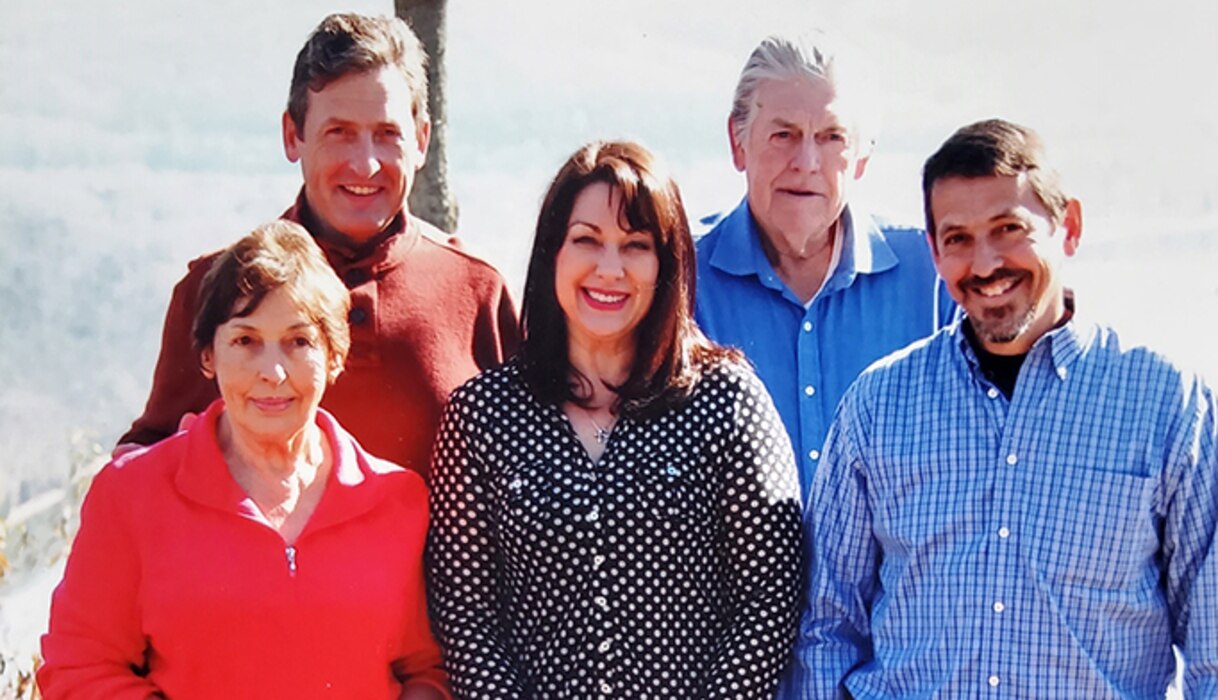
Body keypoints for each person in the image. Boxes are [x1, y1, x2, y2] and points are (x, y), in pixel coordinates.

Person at [784, 119, 1218, 698]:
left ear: (1069, 228)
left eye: (1008, 229)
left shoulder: (1168, 404)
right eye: (958, 238)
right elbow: (827, 625)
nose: (985, 264)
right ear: (935, 251)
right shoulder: (878, 405)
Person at [426, 141, 804, 699]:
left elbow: (770, 595)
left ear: (666, 263)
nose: (610, 269)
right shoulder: (482, 416)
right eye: (587, 241)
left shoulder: (728, 401)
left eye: (635, 245)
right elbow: (467, 612)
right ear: (552, 252)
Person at [39, 222, 449, 699]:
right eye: (245, 341)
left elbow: (427, 669)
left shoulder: (398, 501)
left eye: (299, 341)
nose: (272, 372)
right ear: (208, 355)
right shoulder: (132, 493)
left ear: (335, 356)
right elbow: (79, 667)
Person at [117, 13, 518, 478]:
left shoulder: (475, 291)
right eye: (339, 133)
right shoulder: (218, 287)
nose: (365, 164)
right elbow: (146, 469)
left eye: (387, 135)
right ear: (293, 136)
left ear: (421, 140)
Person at [695, 33, 954, 499]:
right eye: (783, 135)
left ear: (862, 158)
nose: (807, 162)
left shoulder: (935, 275)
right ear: (738, 143)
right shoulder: (677, 275)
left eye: (832, 137)